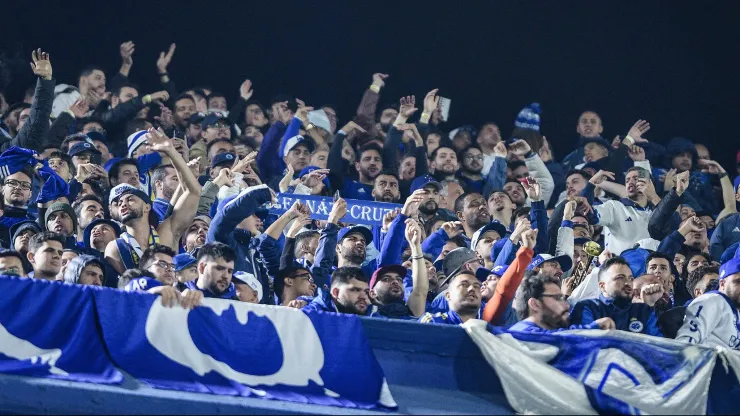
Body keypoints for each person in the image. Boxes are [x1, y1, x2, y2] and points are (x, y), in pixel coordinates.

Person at [105, 128, 200, 274]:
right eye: (119, 203)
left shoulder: (166, 234)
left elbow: (193, 191)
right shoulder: (115, 247)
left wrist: (171, 151)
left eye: (130, 199)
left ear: (147, 206)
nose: (123, 204)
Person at [570, 257, 662, 335]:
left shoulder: (643, 310)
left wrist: (649, 305)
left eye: (631, 278)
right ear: (602, 286)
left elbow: (659, 347)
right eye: (620, 278)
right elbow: (576, 339)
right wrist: (596, 327)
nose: (628, 283)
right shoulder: (588, 307)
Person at [510, 271, 616, 332]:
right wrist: (594, 327)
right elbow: (554, 339)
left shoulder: (553, 331)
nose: (566, 305)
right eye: (557, 298)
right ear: (535, 304)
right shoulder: (521, 333)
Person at [586, 167, 659, 255]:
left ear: (650, 184)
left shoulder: (657, 212)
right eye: (627, 180)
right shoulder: (614, 207)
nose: (630, 182)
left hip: (651, 266)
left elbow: (675, 225)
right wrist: (591, 183)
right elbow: (588, 213)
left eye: (635, 179)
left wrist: (654, 197)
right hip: (619, 265)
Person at [676, 257, 740, 350]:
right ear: (722, 284)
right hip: (707, 362)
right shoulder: (710, 301)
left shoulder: (735, 308)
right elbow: (686, 341)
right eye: (738, 282)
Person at [302, 266, 378, 316]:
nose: (363, 297)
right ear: (336, 292)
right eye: (356, 290)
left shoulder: (374, 318)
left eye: (366, 292)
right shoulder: (310, 315)